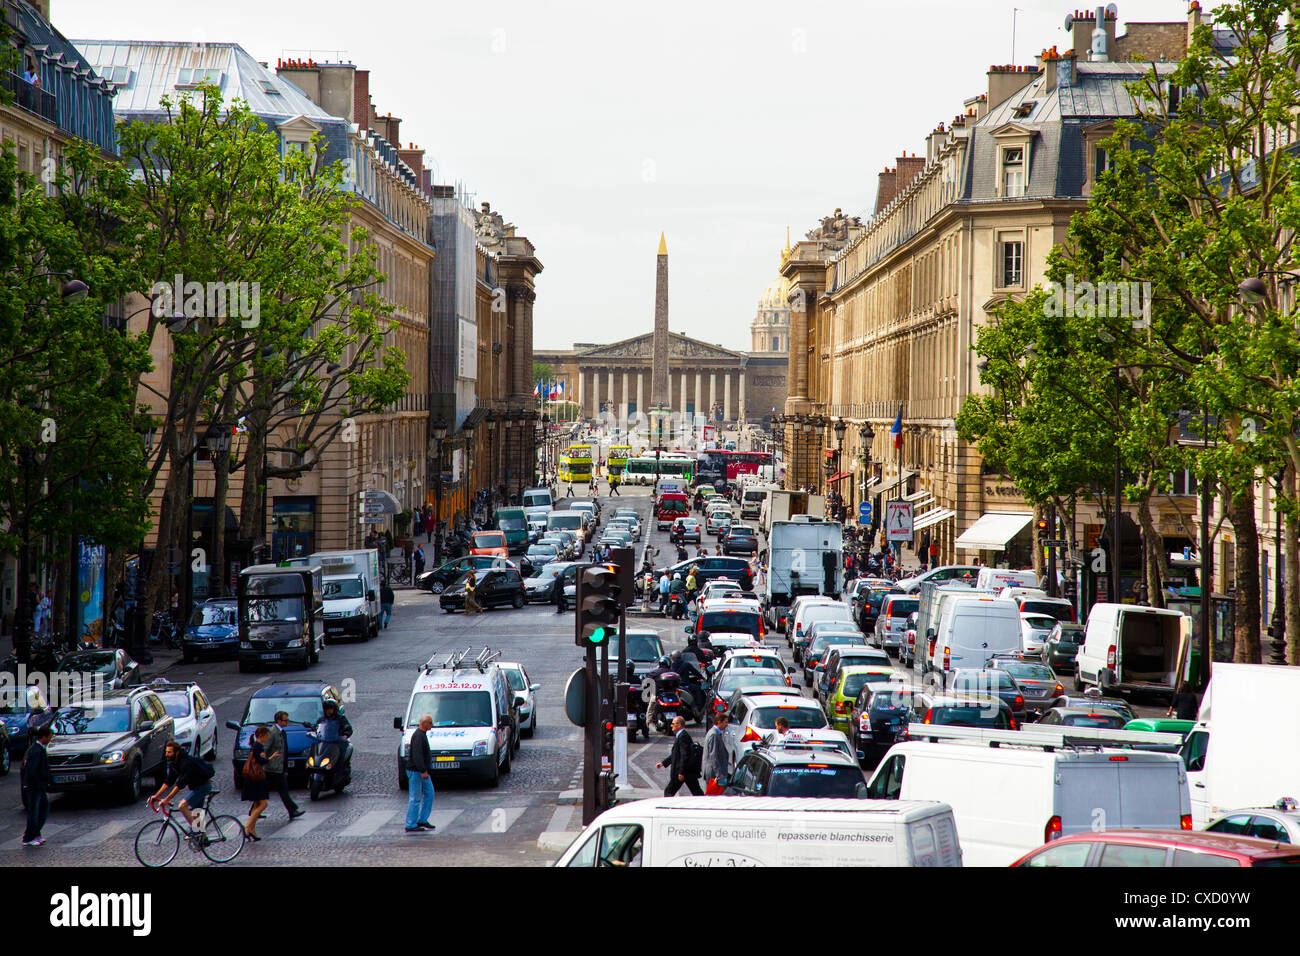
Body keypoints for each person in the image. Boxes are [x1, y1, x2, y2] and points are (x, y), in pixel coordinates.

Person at [148, 741, 216, 829]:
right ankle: (202, 838)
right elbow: (169, 781)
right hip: (196, 787)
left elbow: (180, 784)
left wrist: (166, 799)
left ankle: (197, 832)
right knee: (197, 816)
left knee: (182, 806)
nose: (166, 754)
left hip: (203, 787)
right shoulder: (175, 763)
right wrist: (156, 795)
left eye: (169, 752)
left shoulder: (186, 763)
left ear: (177, 752)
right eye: (166, 752)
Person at [265, 711, 304, 821]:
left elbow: (285, 751)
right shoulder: (272, 732)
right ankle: (292, 810)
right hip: (273, 768)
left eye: (287, 720)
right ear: (278, 721)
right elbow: (264, 748)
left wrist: (285, 767)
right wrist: (267, 761)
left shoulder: (281, 732)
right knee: (283, 790)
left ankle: (254, 810)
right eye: (285, 720)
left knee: (266, 790)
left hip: (279, 767)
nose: (287, 722)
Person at [21, 725, 54, 846]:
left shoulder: (37, 749)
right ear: (44, 737)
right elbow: (33, 770)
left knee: (41, 809)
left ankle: (35, 833)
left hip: (37, 785)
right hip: (34, 786)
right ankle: (29, 837)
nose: (50, 739)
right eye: (49, 737)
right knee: (35, 811)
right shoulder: (36, 751)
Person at [241, 725, 276, 840]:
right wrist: (271, 757)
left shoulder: (256, 745)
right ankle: (247, 825)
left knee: (256, 804)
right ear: (262, 735)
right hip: (256, 779)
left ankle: (252, 830)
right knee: (263, 803)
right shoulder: (259, 746)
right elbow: (262, 761)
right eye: (267, 736)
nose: (268, 738)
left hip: (253, 779)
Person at [655, 716, 702, 796]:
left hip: (681, 771)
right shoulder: (680, 736)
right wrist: (663, 763)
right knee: (696, 791)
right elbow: (676, 754)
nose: (671, 725)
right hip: (685, 772)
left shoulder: (683, 737)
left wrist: (681, 772)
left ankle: (668, 807)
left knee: (669, 791)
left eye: (673, 723)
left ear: (679, 725)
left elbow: (685, 755)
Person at [405, 714, 436, 832]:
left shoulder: (421, 735)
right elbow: (417, 755)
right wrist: (423, 770)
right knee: (415, 798)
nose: (432, 726)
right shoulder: (418, 736)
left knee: (429, 793)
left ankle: (422, 819)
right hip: (417, 771)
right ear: (424, 723)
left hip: (421, 771)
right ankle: (411, 824)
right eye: (431, 723)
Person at [703, 713, 732, 794]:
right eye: (725, 722)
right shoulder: (714, 735)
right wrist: (718, 774)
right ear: (719, 722)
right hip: (714, 773)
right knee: (714, 796)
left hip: (714, 772)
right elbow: (713, 756)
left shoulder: (714, 733)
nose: (727, 725)